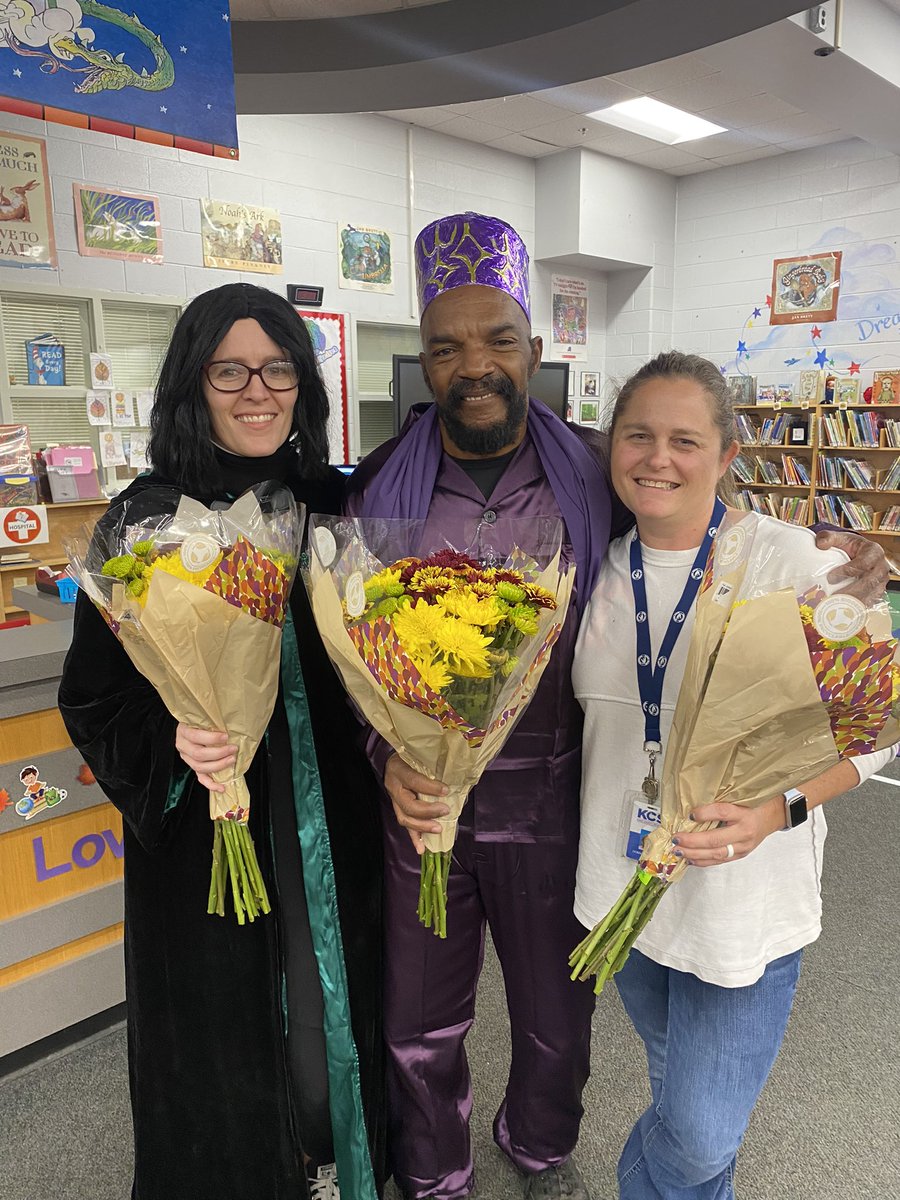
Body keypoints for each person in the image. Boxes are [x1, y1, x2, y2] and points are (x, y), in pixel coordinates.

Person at [345, 212, 888, 1200]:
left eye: (499, 339)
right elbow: (350, 649)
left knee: (568, 1022)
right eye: (447, 346)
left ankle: (543, 1144)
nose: (475, 364)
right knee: (420, 1017)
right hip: (437, 807)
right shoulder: (382, 484)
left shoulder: (587, 471)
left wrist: (845, 569)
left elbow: (696, 508)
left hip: (567, 807)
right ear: (422, 361)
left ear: (534, 351)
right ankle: (432, 1176)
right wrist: (391, 762)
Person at [58, 283, 385, 1200]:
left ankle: (337, 1165)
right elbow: (92, 698)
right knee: (224, 1030)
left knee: (334, 1005)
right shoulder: (145, 520)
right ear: (192, 383)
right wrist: (173, 749)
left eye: (278, 368)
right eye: (230, 369)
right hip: (206, 831)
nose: (258, 390)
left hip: (334, 816)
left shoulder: (335, 506)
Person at [572, 350, 894, 1200]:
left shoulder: (798, 564)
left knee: (701, 1131)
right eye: (637, 435)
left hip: (741, 900)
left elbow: (873, 737)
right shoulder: (590, 573)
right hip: (623, 886)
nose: (658, 458)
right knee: (679, 1091)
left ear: (726, 457)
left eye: (685, 439)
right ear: (612, 449)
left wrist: (778, 809)